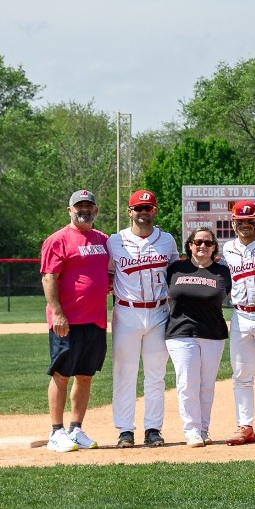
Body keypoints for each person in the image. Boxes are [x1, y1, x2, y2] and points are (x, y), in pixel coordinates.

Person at [107, 189, 178, 448]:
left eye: (147, 208)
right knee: (124, 373)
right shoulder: (115, 241)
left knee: (156, 374)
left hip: (159, 311)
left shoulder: (167, 240)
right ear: (130, 212)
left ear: (155, 211)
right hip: (127, 311)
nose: (143, 212)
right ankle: (125, 429)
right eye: (138, 208)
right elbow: (107, 274)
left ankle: (153, 428)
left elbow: (174, 272)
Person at [42, 190, 108, 452]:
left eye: (88, 206)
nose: (84, 209)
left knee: (85, 375)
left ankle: (76, 428)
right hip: (66, 320)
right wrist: (57, 312)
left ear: (96, 210)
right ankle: (56, 432)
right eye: (78, 206)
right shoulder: (57, 240)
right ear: (69, 210)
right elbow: (49, 278)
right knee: (61, 373)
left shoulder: (103, 239)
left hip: (95, 319)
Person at [163, 227, 231, 447]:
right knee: (187, 383)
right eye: (198, 242)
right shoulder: (176, 268)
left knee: (207, 385)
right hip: (180, 333)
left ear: (214, 247)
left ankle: (203, 428)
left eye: (208, 243)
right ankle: (191, 429)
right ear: (190, 244)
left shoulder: (222, 272)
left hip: (213, 333)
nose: (202, 246)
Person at [219, 200, 255, 444]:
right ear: (233, 222)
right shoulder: (227, 248)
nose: (245, 224)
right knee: (241, 374)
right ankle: (245, 425)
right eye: (240, 221)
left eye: (250, 220)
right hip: (239, 315)